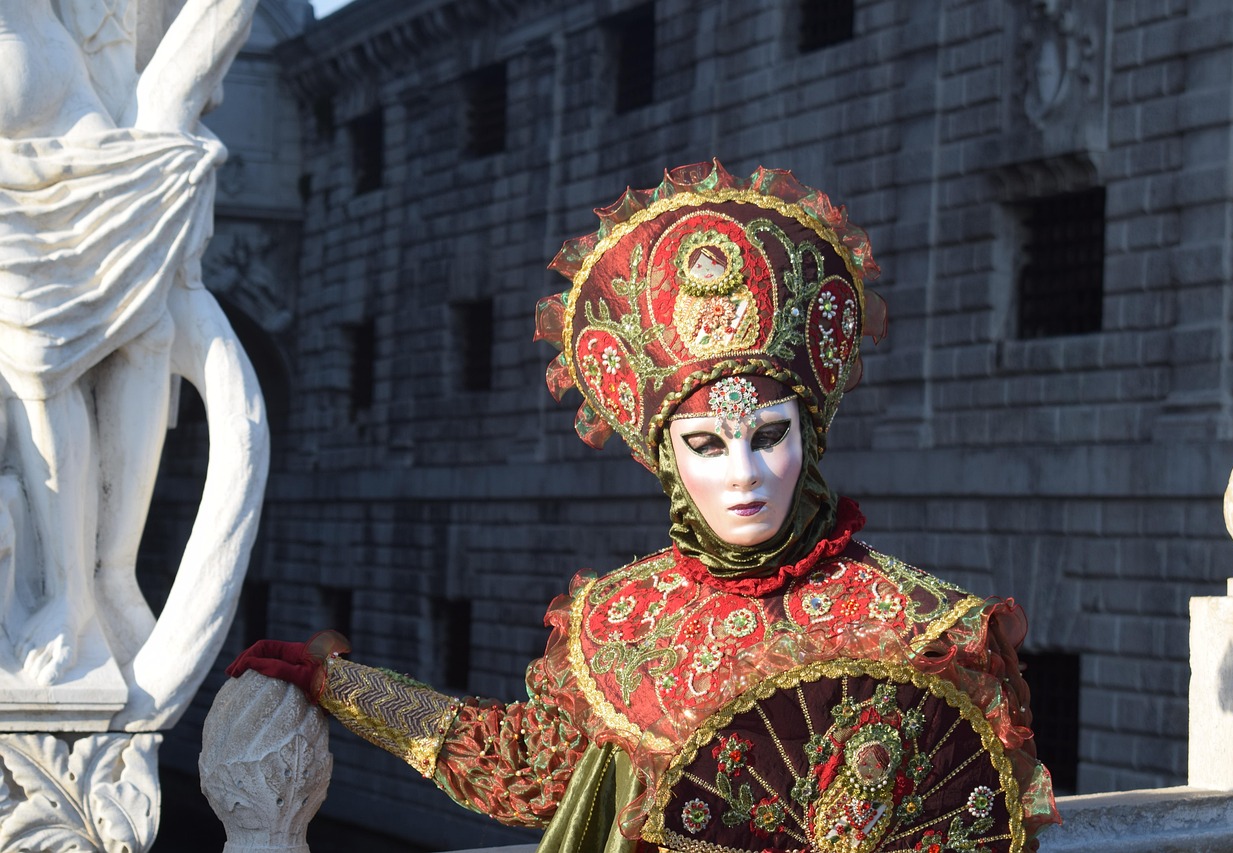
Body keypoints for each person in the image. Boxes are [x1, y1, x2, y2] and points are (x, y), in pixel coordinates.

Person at [229, 161, 1059, 852]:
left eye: (769, 434)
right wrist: (343, 687)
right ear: (667, 459)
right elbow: (524, 766)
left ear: (811, 434)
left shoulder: (923, 630)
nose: (744, 474)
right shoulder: (622, 625)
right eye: (707, 444)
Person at [0, 0, 255, 685]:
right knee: (42, 367)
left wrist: (173, 100)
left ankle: (93, 584)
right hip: (33, 145)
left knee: (125, 336)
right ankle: (75, 591)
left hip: (75, 121)